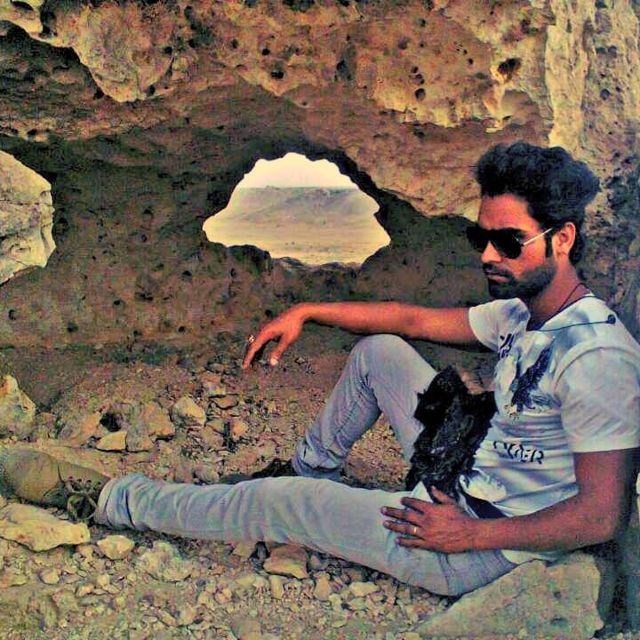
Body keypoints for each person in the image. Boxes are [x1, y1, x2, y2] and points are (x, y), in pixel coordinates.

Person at [1, 142, 639, 597]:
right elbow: (411, 319)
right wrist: (307, 310)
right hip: (465, 472)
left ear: (562, 238)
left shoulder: (597, 359)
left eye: (509, 241)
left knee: (280, 504)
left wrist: (464, 536)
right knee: (380, 352)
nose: (489, 256)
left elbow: (602, 515)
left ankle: (111, 500)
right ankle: (312, 466)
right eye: (481, 239)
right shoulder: (523, 314)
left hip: (481, 545)